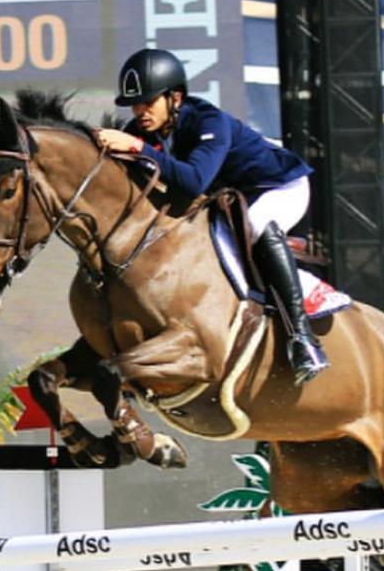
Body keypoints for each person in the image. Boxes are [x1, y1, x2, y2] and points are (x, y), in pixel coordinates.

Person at [95, 48, 329, 386]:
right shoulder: (142, 130)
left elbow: (193, 181)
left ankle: (303, 338)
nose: (140, 112)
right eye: (135, 105)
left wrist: (136, 148)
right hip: (229, 198)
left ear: (175, 97)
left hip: (278, 187)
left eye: (148, 102)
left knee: (257, 226)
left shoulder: (208, 121)